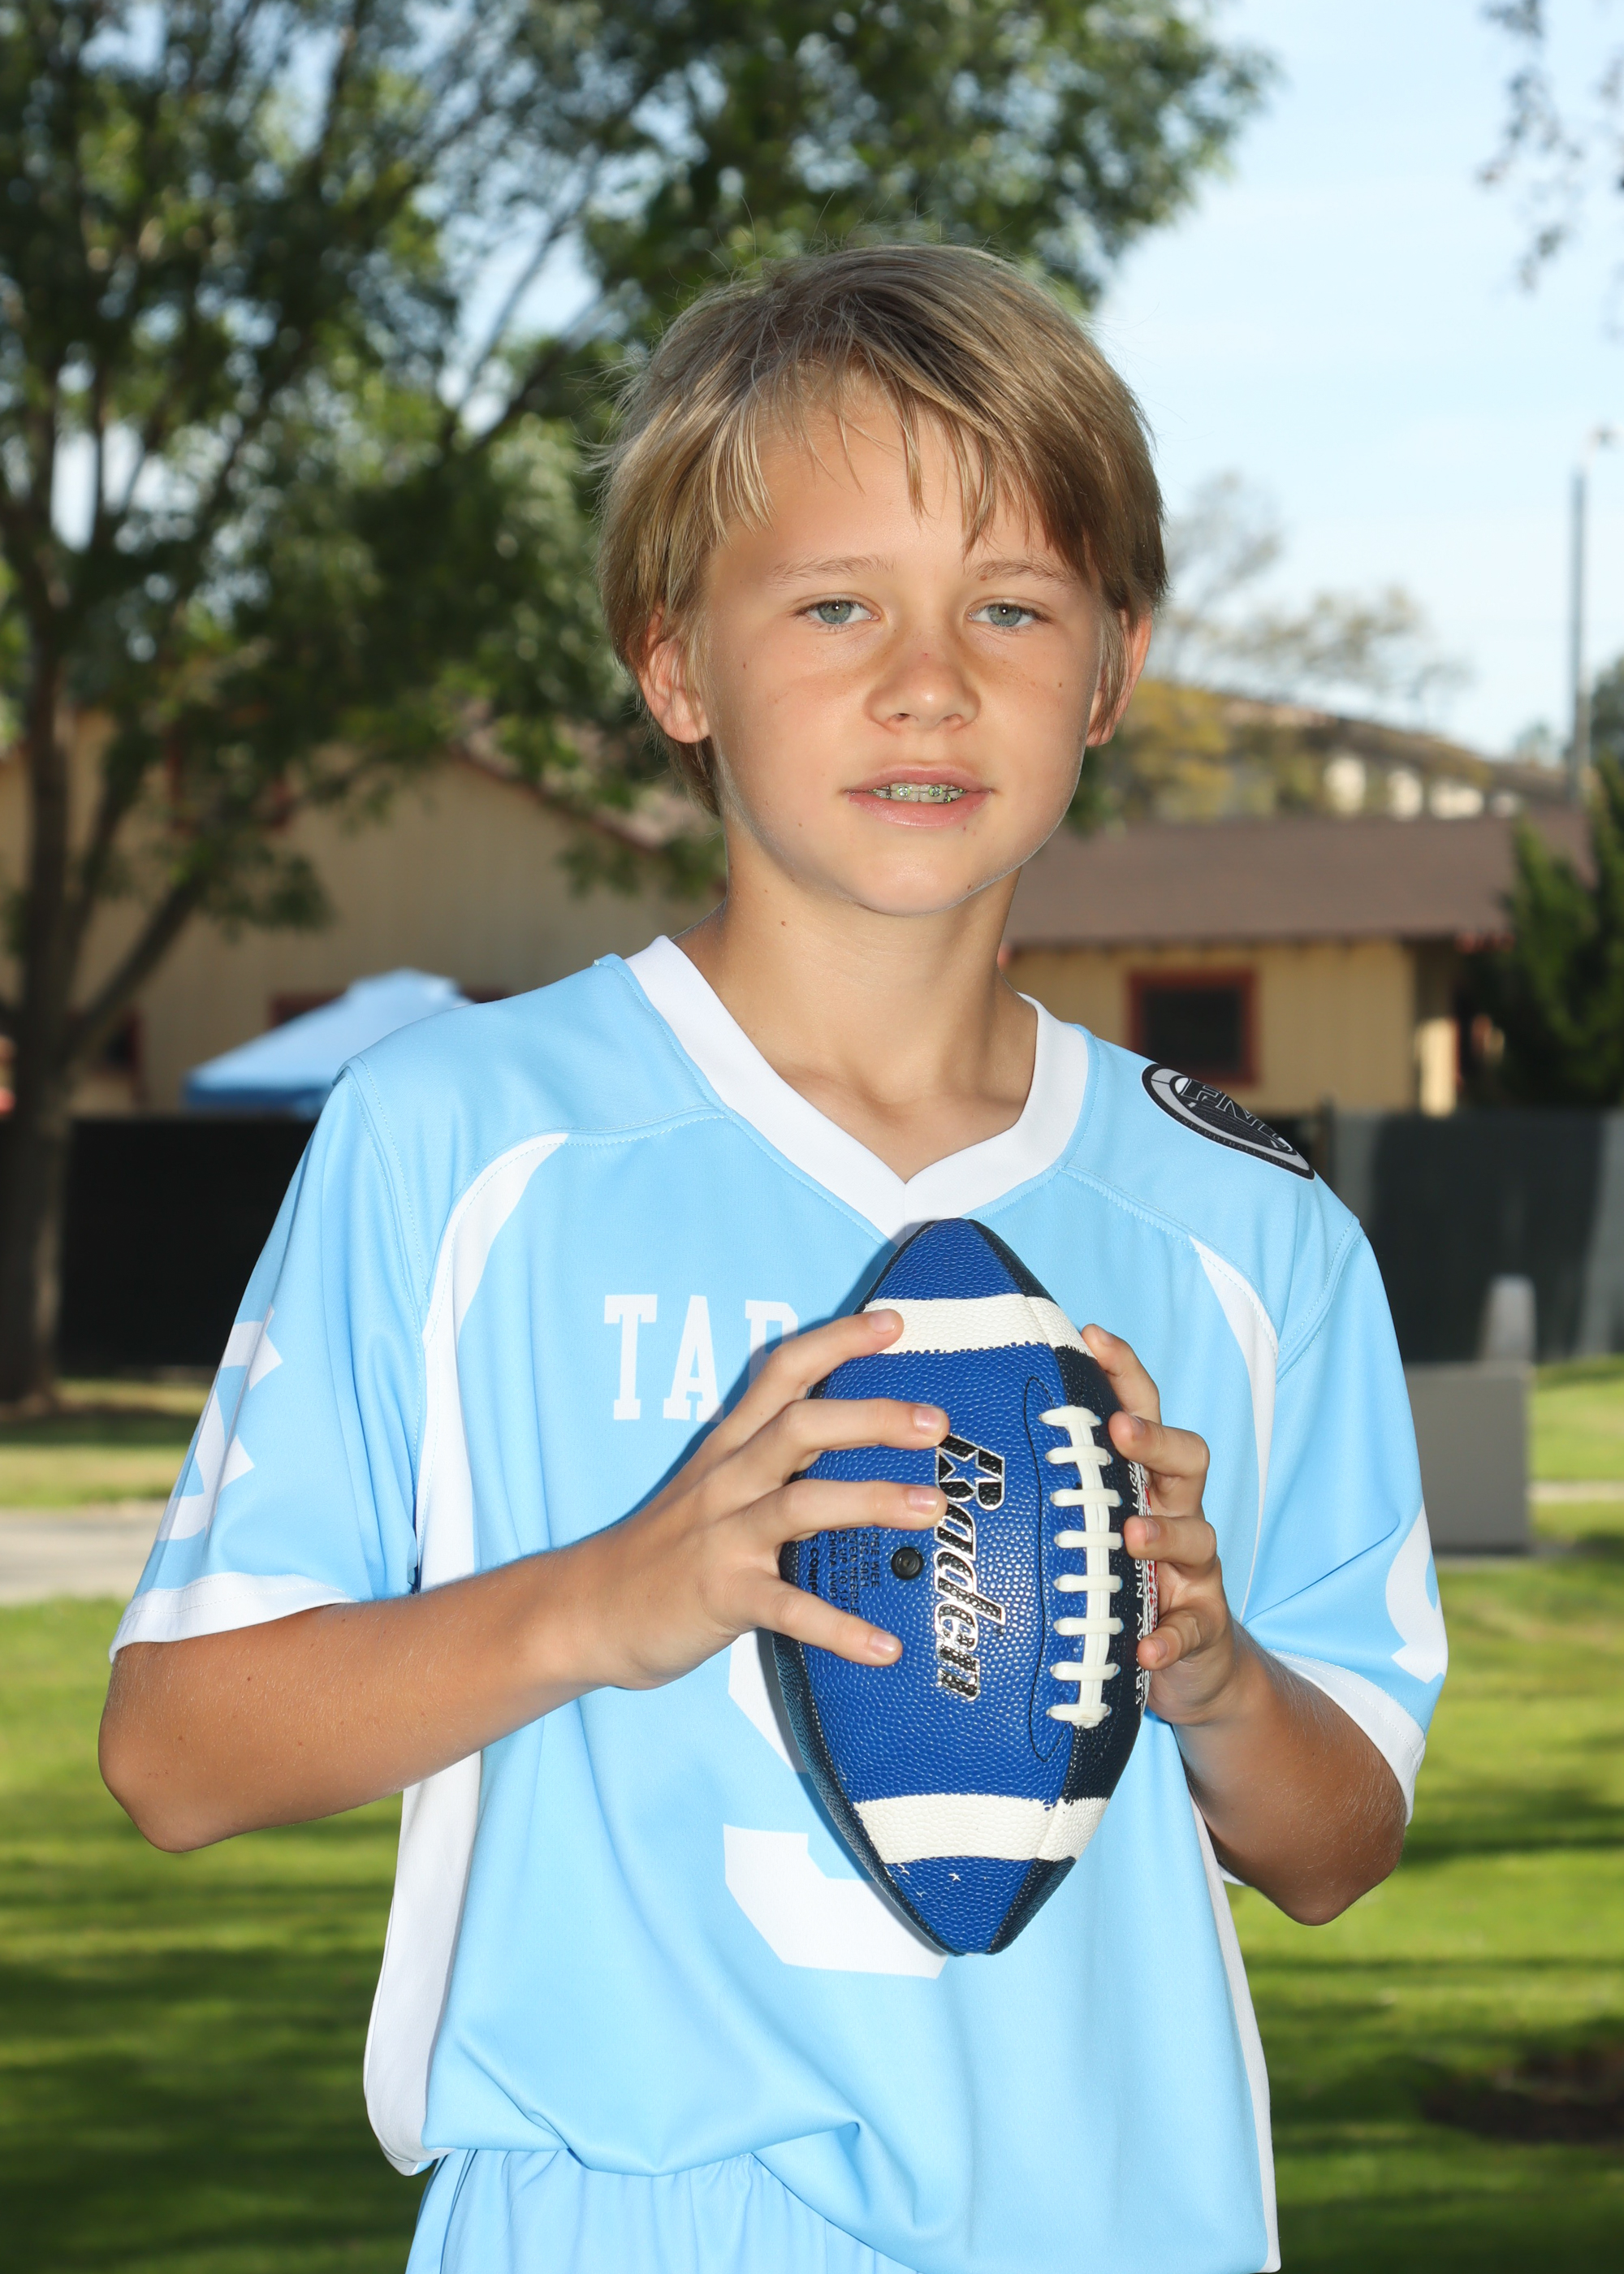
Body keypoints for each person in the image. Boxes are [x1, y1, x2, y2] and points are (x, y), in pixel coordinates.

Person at [100, 244, 1448, 2274]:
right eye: (835, 605)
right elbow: (174, 1753)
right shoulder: (461, 1135)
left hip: (1104, 2227)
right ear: (674, 664)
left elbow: (1337, 1846)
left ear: (1111, 670)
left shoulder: (1252, 1226)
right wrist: (610, 1594)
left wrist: (1213, 1670)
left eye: (1011, 606)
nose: (929, 680)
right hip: (621, 2216)